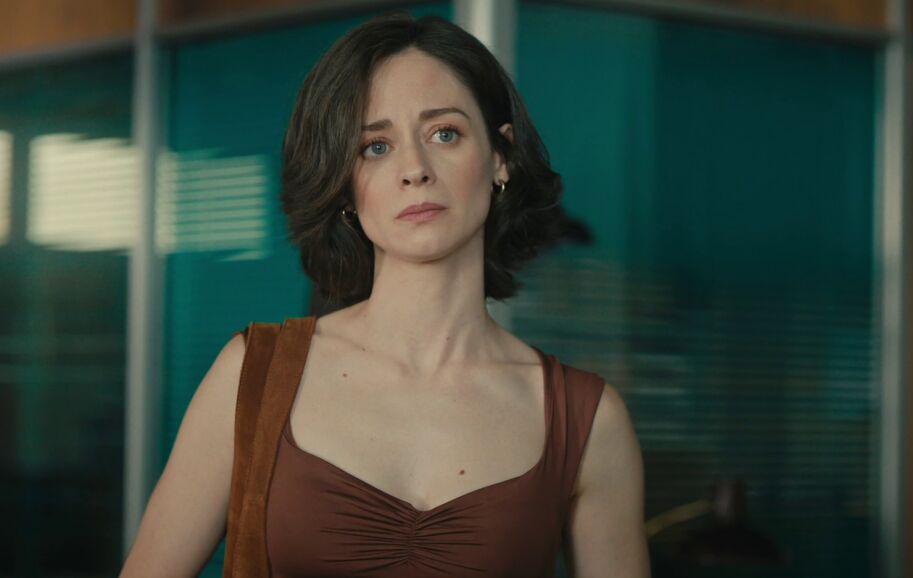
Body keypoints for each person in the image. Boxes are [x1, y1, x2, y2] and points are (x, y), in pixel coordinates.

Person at [120, 10, 648, 578]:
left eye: (444, 134)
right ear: (344, 185)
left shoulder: (589, 421)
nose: (414, 169)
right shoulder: (251, 376)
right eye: (375, 146)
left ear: (500, 157)